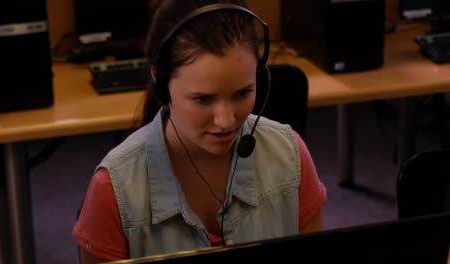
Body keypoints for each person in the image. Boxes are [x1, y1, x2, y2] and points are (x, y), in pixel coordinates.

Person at [73, 0, 327, 263]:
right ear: (161, 85)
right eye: (203, 99)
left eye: (243, 93)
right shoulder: (114, 190)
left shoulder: (290, 156)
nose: (226, 121)